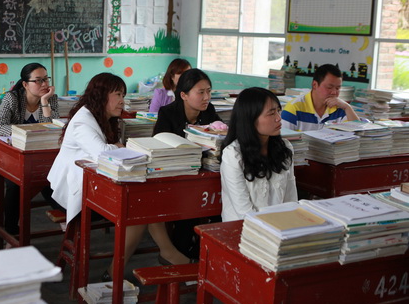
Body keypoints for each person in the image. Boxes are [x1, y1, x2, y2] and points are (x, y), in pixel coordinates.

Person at [48, 72, 191, 280]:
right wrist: (117, 147)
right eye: (117, 94)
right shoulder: (83, 120)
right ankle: (124, 269)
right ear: (101, 95)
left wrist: (117, 146)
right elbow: (103, 153)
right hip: (74, 191)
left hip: (95, 184)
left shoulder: (104, 117)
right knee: (137, 211)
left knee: (143, 205)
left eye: (123, 95)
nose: (123, 100)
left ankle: (164, 254)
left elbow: (111, 150)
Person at [0, 62, 59, 235]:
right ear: (25, 84)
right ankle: (10, 229)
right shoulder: (12, 98)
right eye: (38, 80)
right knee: (16, 182)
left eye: (46, 79)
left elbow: (53, 127)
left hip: (34, 152)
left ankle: (67, 216)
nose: (44, 84)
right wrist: (25, 132)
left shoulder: (51, 98)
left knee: (49, 177)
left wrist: (44, 101)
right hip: (6, 151)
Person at [153, 68, 222, 259]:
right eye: (201, 92)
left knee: (218, 207)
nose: (206, 97)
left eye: (209, 91)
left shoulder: (209, 111)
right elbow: (159, 146)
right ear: (183, 95)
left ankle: (204, 252)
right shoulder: (168, 113)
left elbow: (221, 137)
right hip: (175, 177)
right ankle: (181, 255)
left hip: (203, 176)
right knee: (189, 207)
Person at [220, 87, 297, 222]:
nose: (279, 118)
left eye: (278, 111)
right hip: (243, 228)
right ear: (251, 118)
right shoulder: (233, 155)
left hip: (279, 226)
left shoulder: (284, 148)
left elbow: (291, 199)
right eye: (271, 113)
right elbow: (244, 212)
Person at [281, 64, 358, 131]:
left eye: (338, 88)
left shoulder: (340, 108)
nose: (334, 92)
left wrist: (347, 107)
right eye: (329, 87)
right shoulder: (294, 108)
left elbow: (357, 133)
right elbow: (283, 140)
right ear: (315, 85)